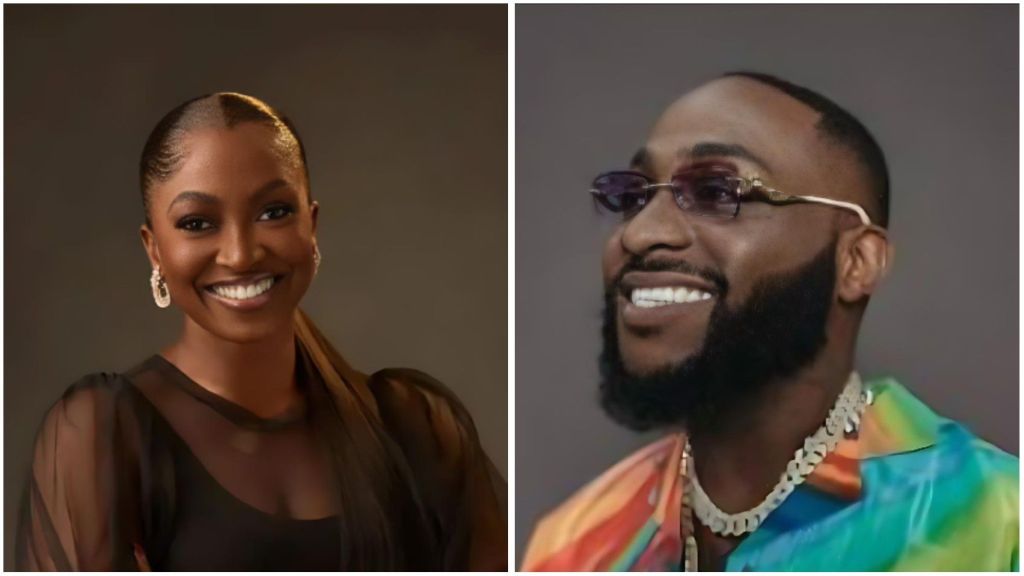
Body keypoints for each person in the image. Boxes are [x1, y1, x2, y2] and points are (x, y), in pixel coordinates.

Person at [521, 72, 1018, 571]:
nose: (639, 233)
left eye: (717, 191)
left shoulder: (992, 522)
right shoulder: (573, 546)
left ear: (856, 262)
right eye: (633, 197)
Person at [16, 92, 506, 571]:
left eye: (273, 212)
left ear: (312, 225)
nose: (241, 254)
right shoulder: (103, 440)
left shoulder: (415, 428)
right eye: (197, 223)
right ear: (154, 250)